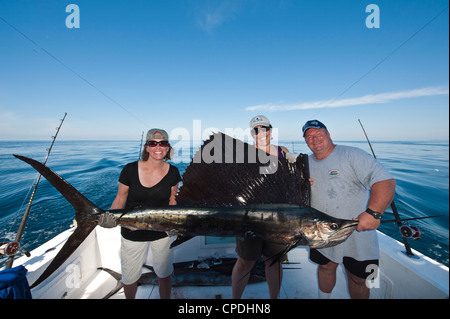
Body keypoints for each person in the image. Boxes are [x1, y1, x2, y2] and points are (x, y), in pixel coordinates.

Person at [302, 120, 396, 299]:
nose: (315, 139)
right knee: (325, 267)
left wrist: (373, 213)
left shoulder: (352, 155)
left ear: (328, 134)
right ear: (306, 141)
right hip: (320, 231)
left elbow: (386, 181)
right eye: (309, 136)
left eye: (319, 133)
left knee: (359, 278)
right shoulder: (304, 163)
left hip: (357, 232)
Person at [110, 129, 181, 299]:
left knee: (163, 274)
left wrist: (176, 225)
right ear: (147, 147)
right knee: (130, 277)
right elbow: (120, 198)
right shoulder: (129, 169)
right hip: (132, 231)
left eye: (163, 143)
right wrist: (110, 217)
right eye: (153, 143)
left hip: (162, 232)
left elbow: (173, 201)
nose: (158, 147)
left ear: (168, 148)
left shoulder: (173, 172)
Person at [231, 115, 297, 299]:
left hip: (279, 219)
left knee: (274, 261)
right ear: (252, 133)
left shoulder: (283, 152)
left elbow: (299, 173)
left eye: (265, 128)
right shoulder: (243, 155)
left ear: (270, 131)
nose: (261, 133)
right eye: (257, 130)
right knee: (245, 262)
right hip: (249, 219)